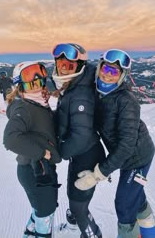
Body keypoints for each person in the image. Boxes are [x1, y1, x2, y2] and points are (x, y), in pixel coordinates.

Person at [75, 49, 155, 238]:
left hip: (138, 159)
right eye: (105, 68)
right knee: (135, 198)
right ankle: (151, 233)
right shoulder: (97, 88)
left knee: (124, 204)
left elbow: (126, 146)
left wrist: (98, 174)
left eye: (114, 72)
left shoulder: (126, 102)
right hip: (126, 158)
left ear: (122, 76)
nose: (107, 74)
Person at [51, 43, 106, 238]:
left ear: (80, 66)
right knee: (74, 196)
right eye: (61, 63)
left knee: (78, 205)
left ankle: (93, 234)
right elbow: (67, 117)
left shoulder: (80, 94)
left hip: (87, 155)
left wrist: (59, 152)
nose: (64, 67)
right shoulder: (74, 85)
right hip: (81, 154)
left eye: (70, 64)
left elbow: (81, 136)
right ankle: (74, 226)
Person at [3, 62, 61, 238]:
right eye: (32, 84)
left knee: (41, 208)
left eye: (41, 82)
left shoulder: (37, 103)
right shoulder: (24, 107)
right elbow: (10, 139)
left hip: (41, 169)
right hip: (34, 170)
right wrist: (42, 153)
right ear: (20, 87)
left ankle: (29, 234)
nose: (38, 87)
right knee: (46, 212)